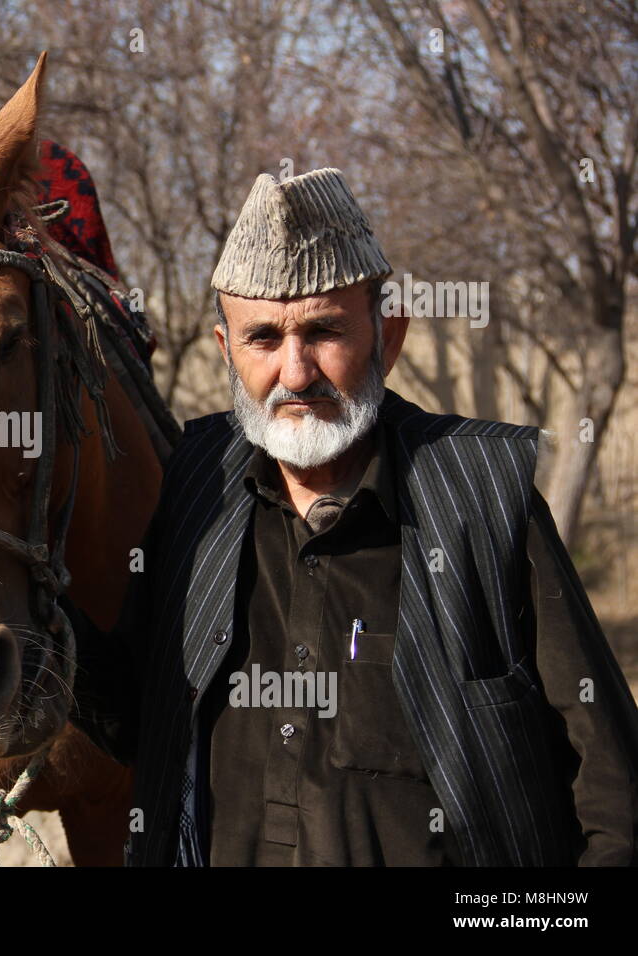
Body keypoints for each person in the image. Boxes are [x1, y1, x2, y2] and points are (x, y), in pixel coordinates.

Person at [63, 168, 638, 866]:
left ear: (387, 336)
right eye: (264, 338)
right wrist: (30, 608)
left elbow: (614, 789)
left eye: (324, 331)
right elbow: (139, 719)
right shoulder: (197, 484)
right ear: (225, 351)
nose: (296, 371)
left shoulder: (482, 497)